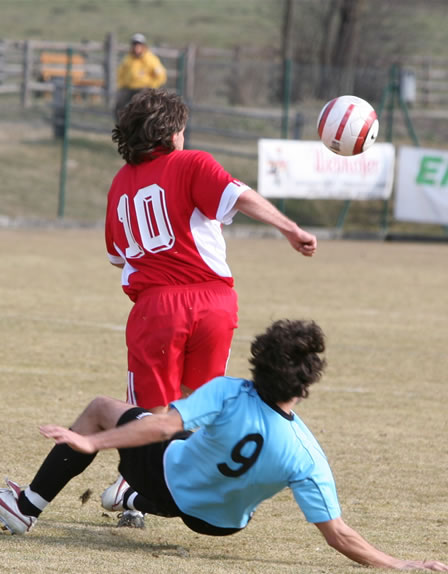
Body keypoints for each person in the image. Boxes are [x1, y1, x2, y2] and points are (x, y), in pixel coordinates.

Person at [0, 320, 448, 572]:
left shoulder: (229, 392)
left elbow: (161, 428)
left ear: (257, 364)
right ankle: (127, 497)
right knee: (196, 448)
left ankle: (25, 506)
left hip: (163, 479)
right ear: (303, 390)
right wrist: (402, 564)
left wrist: (92, 439)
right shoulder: (308, 456)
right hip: (216, 525)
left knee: (105, 406)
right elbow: (339, 535)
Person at [104, 88, 317, 527]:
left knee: (151, 411)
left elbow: (117, 255)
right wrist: (289, 227)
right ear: (171, 132)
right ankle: (193, 494)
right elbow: (238, 196)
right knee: (200, 406)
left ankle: (137, 490)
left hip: (158, 304)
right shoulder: (191, 162)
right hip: (216, 302)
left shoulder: (122, 182)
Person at [115, 33, 167, 118]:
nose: (136, 47)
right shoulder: (128, 59)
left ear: (143, 46)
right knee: (119, 104)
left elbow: (161, 75)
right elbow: (120, 73)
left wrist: (152, 85)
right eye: (134, 45)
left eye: (138, 45)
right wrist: (121, 85)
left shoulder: (151, 59)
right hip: (129, 88)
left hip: (144, 88)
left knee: (140, 105)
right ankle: (121, 125)